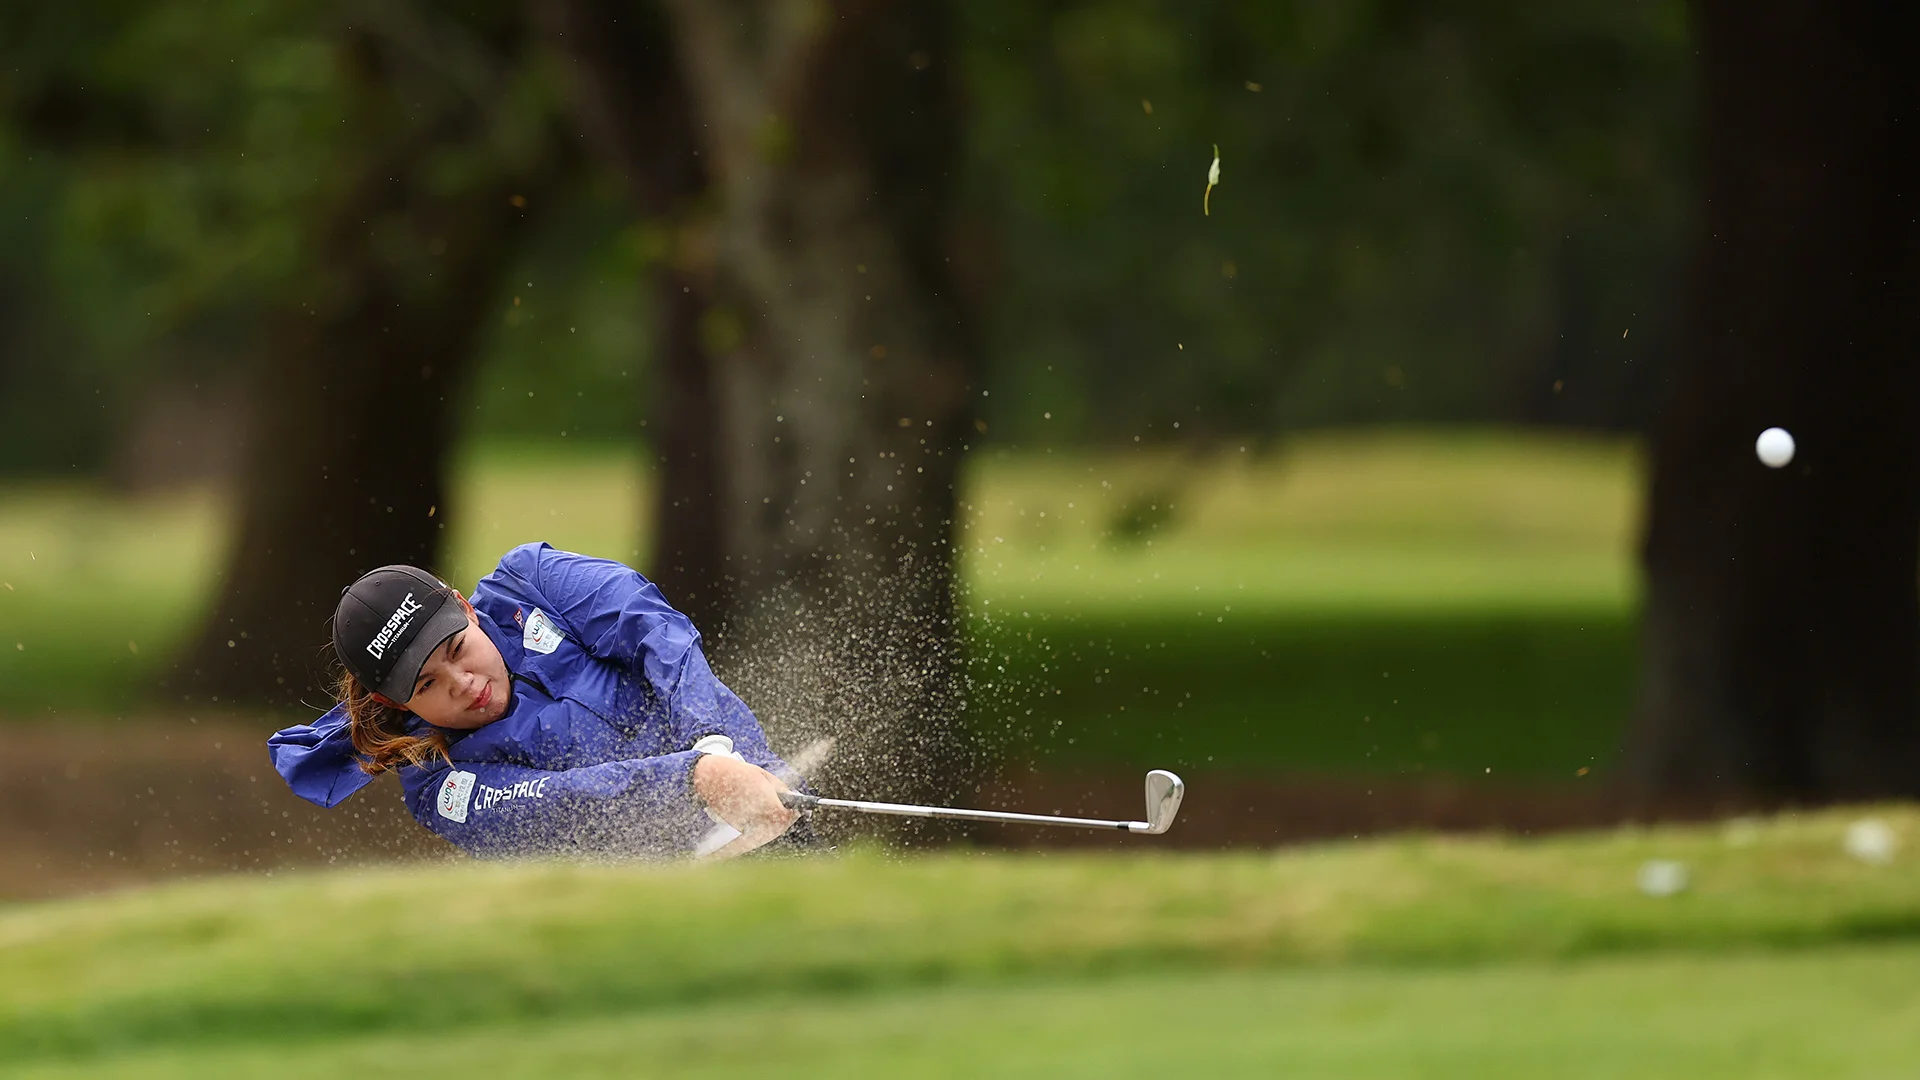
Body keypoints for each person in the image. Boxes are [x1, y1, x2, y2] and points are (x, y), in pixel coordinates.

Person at [267, 542, 806, 860]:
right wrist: (696, 779)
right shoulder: (440, 785)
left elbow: (654, 631)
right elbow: (566, 803)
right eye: (427, 684)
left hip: (775, 809)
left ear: (465, 608)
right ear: (393, 698)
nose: (462, 682)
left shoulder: (534, 581)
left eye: (458, 648)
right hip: (672, 910)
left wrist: (717, 745)